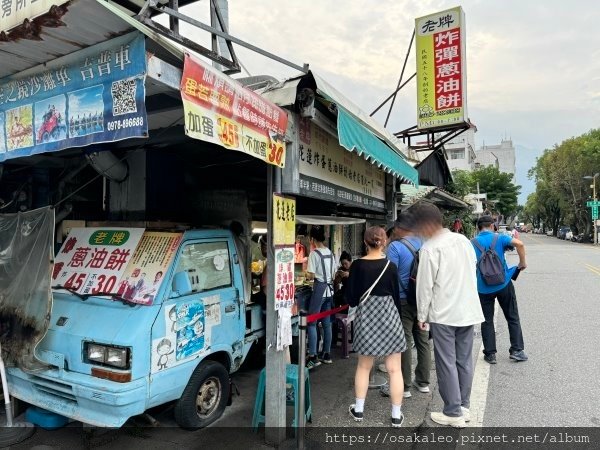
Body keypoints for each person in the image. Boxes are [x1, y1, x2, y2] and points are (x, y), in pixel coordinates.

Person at [414, 202, 484, 428]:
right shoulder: (463, 240)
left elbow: (425, 287)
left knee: (446, 362)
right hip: (468, 309)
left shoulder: (429, 248)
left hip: (444, 312)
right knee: (464, 360)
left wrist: (422, 315)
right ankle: (463, 407)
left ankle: (453, 412)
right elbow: (472, 270)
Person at [345, 226, 407, 428]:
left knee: (364, 366)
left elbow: (351, 299)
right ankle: (396, 416)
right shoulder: (391, 266)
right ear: (384, 242)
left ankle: (359, 410)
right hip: (390, 319)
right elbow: (397, 299)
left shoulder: (357, 266)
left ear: (364, 242)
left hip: (366, 320)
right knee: (394, 369)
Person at [382, 212, 430, 399]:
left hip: (402, 300)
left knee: (405, 341)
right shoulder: (424, 243)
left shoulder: (395, 247)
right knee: (423, 340)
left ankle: (405, 385)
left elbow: (389, 275)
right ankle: (424, 382)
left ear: (400, 228)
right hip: (423, 299)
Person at [472, 215, 528, 364]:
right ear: (492, 226)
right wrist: (522, 263)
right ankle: (517, 350)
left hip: (483, 288)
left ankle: (490, 354)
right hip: (503, 284)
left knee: (487, 321)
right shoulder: (500, 238)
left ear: (478, 228)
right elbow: (520, 244)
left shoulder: (472, 243)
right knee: (512, 316)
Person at [305, 226, 335, 368]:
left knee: (311, 322)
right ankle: (326, 354)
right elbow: (334, 274)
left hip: (319, 290)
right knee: (327, 323)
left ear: (312, 239)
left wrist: (306, 272)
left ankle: (313, 356)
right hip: (330, 291)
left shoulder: (314, 254)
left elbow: (310, 275)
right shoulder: (330, 252)